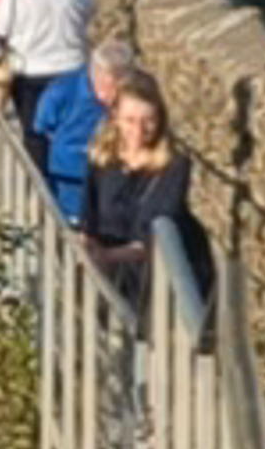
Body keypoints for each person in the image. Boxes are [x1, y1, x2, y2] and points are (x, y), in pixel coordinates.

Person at [0, 0, 104, 221]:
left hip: (32, 73)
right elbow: (88, 14)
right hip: (72, 67)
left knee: (36, 134)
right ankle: (79, 199)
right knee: (77, 133)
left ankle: (45, 198)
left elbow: (1, 29)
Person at [83, 72, 209, 323]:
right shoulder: (101, 158)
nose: (139, 131)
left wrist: (107, 257)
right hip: (111, 281)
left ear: (160, 119)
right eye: (130, 120)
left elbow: (156, 231)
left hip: (155, 285)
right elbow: (90, 216)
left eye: (148, 121)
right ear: (114, 117)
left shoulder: (174, 166)